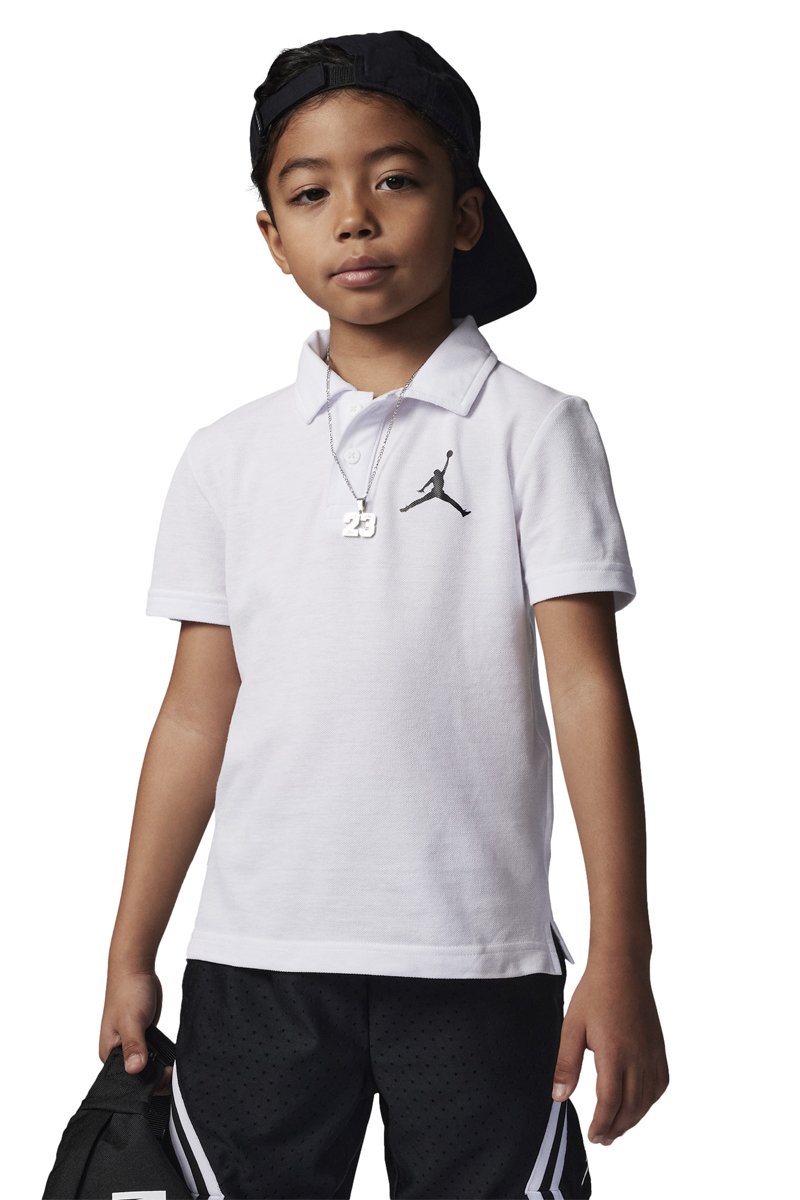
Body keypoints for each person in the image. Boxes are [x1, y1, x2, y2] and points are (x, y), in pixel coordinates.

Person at [99, 30, 669, 1200]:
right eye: (310, 193)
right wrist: (129, 949)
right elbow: (195, 716)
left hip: (476, 963)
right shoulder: (225, 456)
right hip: (255, 961)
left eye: (395, 180)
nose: (353, 218)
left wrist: (620, 956)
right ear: (272, 237)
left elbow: (585, 694)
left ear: (463, 216)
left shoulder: (536, 430)